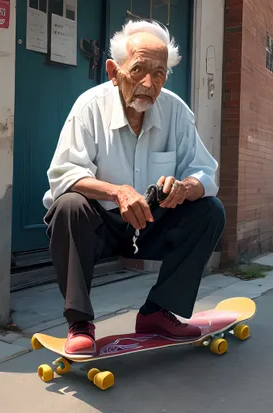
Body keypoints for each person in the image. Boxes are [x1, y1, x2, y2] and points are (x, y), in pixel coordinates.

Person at [41, 20, 225, 356]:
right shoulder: (89, 107)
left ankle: (157, 311)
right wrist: (116, 191)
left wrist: (185, 187)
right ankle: (79, 322)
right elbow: (63, 174)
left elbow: (206, 173)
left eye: (159, 74)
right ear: (113, 71)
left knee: (210, 210)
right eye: (138, 69)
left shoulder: (176, 111)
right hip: (101, 227)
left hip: (152, 224)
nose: (148, 83)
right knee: (68, 205)